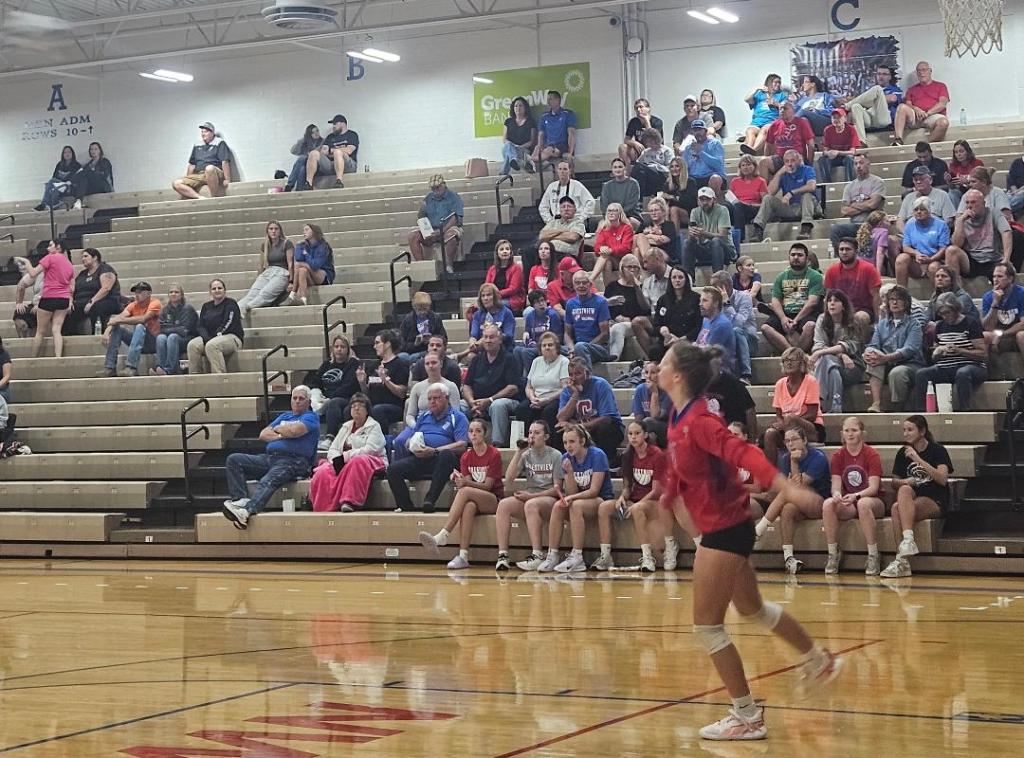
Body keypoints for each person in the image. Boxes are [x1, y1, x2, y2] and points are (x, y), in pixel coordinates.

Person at [656, 341, 841, 741]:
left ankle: (747, 716)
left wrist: (785, 489)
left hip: (724, 528)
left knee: (708, 627)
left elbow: (744, 452)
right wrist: (668, 496)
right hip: (725, 523)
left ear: (679, 375)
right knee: (752, 608)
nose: (658, 365)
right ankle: (818, 659)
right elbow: (679, 467)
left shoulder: (702, 420)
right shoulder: (677, 414)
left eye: (665, 361)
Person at [221, 386, 318, 529]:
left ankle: (247, 511)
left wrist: (278, 430)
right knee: (234, 460)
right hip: (270, 458)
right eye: (294, 398)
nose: (297, 401)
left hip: (295, 461)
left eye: (301, 399)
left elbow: (295, 431)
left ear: (308, 402)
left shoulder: (311, 416)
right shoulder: (285, 416)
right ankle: (240, 500)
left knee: (268, 479)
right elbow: (263, 434)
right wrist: (284, 433)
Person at [418, 418, 504, 569]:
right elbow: (468, 484)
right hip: (475, 498)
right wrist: (459, 480)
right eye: (471, 431)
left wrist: (465, 483)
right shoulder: (466, 457)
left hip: (493, 499)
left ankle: (443, 535)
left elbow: (488, 486)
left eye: (478, 431)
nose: (474, 434)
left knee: (464, 492)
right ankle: (463, 555)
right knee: (468, 507)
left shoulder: (494, 454)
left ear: (485, 433)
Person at [880, 416, 954, 578]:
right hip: (912, 497)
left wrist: (917, 459)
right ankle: (907, 543)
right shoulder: (902, 452)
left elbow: (942, 479)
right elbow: (894, 482)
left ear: (922, 431)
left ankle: (901, 560)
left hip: (935, 498)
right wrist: (905, 481)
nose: (905, 433)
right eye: (904, 430)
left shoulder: (937, 450)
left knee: (897, 509)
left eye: (910, 429)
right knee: (901, 496)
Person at [593, 420, 669, 572]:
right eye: (630, 434)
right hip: (635, 499)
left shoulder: (657, 455)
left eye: (637, 433)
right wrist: (622, 497)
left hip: (653, 501)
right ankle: (606, 555)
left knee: (638, 509)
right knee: (604, 507)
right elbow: (628, 486)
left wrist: (636, 504)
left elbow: (656, 491)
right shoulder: (627, 455)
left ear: (646, 435)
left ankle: (648, 557)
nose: (633, 437)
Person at [753, 425, 830, 574]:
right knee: (788, 509)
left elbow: (798, 487)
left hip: (820, 503)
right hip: (798, 503)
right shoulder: (785, 458)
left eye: (794, 439)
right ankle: (789, 558)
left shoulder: (818, 458)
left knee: (789, 492)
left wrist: (794, 463)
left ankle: (759, 529)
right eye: (787, 441)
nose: (790, 444)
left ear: (805, 440)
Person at [540, 423, 615, 573]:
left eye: (572, 442)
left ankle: (577, 556)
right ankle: (552, 554)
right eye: (565, 443)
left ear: (582, 441)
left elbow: (594, 491)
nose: (568, 446)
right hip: (580, 499)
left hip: (601, 499)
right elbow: (572, 490)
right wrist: (569, 473)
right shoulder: (566, 458)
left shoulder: (597, 455)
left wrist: (571, 497)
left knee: (575, 505)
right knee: (558, 506)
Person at [385, 383, 469, 513]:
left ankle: (429, 500)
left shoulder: (458, 417)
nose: (432, 402)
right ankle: (406, 506)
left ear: (446, 398)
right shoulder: (423, 417)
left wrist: (435, 450)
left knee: (446, 455)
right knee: (392, 469)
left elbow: (462, 445)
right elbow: (413, 437)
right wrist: (412, 445)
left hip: (443, 460)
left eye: (436, 398)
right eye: (429, 399)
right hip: (422, 457)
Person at [494, 420, 564, 571]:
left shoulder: (556, 455)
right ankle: (503, 555)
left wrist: (532, 497)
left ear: (546, 437)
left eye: (537, 433)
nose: (532, 436)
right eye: (530, 433)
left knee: (531, 504)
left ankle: (538, 555)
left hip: (549, 499)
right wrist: (519, 451)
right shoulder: (526, 455)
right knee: (504, 505)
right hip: (531, 497)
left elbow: (557, 489)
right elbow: (509, 478)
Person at [821, 416, 885, 574]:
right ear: (842, 433)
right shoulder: (837, 456)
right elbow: (835, 485)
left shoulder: (871, 454)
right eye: (847, 431)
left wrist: (856, 495)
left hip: (872, 501)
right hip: (850, 501)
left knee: (863, 504)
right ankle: (833, 552)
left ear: (862, 433)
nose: (850, 434)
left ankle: (873, 555)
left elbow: (874, 488)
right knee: (828, 504)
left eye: (854, 430)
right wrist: (836, 494)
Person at [309, 393, 387, 513]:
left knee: (358, 461)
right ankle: (321, 504)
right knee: (324, 470)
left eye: (360, 406)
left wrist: (346, 457)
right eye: (353, 406)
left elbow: (371, 449)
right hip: (345, 462)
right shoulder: (345, 426)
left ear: (367, 410)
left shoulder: (374, 426)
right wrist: (336, 459)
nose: (356, 408)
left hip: (373, 461)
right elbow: (333, 448)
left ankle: (350, 501)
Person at [913, 292, 986, 411]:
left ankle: (965, 410)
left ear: (956, 309)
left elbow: (983, 353)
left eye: (947, 312)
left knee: (963, 373)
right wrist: (937, 353)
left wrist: (960, 350)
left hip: (971, 365)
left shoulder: (970, 323)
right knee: (922, 374)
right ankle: (922, 411)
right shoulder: (940, 326)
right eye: (942, 314)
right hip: (946, 366)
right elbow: (934, 356)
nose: (945, 316)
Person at [864, 285, 923, 413]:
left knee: (897, 372)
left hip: (910, 364)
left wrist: (885, 358)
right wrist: (868, 354)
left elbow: (909, 349)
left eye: (899, 299)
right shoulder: (881, 324)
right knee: (872, 357)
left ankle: (898, 409)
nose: (895, 302)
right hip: (885, 362)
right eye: (891, 299)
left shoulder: (914, 324)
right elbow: (873, 345)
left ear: (906, 303)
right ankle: (876, 403)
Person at [763, 347, 826, 465]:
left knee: (790, 418)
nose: (789, 362)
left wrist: (789, 421)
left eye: (793, 360)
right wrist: (783, 422)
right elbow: (779, 414)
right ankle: (771, 477)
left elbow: (812, 415)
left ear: (802, 363)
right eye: (785, 360)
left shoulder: (811, 381)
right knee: (769, 433)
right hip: (787, 427)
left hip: (812, 427)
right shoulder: (780, 384)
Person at [462, 323, 520, 448]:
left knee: (497, 405)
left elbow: (513, 388)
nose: (488, 340)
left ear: (500, 340)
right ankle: (462, 443)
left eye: (492, 337)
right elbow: (466, 386)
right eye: (486, 337)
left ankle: (496, 445)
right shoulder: (477, 359)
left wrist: (490, 400)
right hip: (477, 402)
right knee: (459, 405)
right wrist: (472, 402)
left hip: (503, 401)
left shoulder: (509, 358)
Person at [761, 243, 825, 353]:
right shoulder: (781, 277)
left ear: (806, 258)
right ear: (789, 257)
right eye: (793, 254)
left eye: (800, 255)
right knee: (765, 328)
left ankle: (796, 356)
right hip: (786, 314)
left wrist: (796, 320)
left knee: (811, 326)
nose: (796, 257)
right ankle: (793, 354)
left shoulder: (815, 276)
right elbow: (776, 300)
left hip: (806, 314)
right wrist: (783, 319)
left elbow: (813, 302)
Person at [810, 290, 865, 414]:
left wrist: (821, 353)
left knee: (825, 360)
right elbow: (818, 344)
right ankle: (835, 405)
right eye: (829, 301)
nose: (832, 304)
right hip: (829, 366)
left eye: (836, 301)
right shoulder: (822, 319)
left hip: (852, 367)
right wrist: (841, 354)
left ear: (844, 305)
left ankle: (818, 401)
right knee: (832, 369)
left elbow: (850, 345)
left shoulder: (854, 322)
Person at [749, 150, 820, 244]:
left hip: (809, 207)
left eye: (793, 160)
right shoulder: (783, 174)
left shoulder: (807, 169)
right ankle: (758, 230)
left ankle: (806, 228)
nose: (790, 164)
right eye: (787, 161)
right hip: (792, 208)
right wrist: (778, 174)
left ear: (799, 160)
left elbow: (811, 186)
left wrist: (791, 193)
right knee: (767, 199)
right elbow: (768, 193)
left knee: (807, 195)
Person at [554, 357, 624, 453]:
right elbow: (561, 418)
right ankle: (567, 462)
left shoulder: (601, 385)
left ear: (587, 372)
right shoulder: (568, 390)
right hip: (582, 429)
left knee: (605, 428)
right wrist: (575, 395)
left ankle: (608, 461)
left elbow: (606, 418)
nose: (574, 378)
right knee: (559, 429)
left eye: (578, 374)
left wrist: (578, 427)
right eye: (571, 374)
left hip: (606, 428)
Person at [20, 240, 74, 359]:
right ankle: (58, 357)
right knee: (56, 330)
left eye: (50, 245)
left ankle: (33, 359)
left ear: (58, 247)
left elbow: (33, 273)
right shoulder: (70, 264)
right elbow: (71, 287)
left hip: (49, 297)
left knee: (40, 332)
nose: (48, 248)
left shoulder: (50, 257)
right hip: (63, 299)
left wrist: (27, 262)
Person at [945, 189, 1013, 281]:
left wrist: (1006, 259)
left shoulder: (993, 212)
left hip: (993, 259)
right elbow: (957, 244)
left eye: (973, 202)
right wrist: (960, 221)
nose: (969, 206)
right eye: (967, 203)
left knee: (1009, 272)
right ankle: (954, 291)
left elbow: (1006, 233)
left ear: (984, 203)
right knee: (951, 250)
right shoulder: (962, 219)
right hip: (972, 260)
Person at [827, 153, 886, 254]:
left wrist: (853, 205)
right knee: (835, 230)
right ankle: (841, 258)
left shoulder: (877, 182)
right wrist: (865, 204)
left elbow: (873, 204)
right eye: (855, 164)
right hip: (855, 225)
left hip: (872, 224)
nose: (858, 166)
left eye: (861, 163)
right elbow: (844, 210)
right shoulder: (849, 187)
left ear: (868, 164)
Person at [309, 335, 361, 446]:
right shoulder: (327, 364)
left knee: (334, 402)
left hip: (347, 398)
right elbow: (315, 381)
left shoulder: (353, 364)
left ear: (348, 350)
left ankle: (330, 437)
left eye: (342, 347)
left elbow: (348, 386)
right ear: (333, 349)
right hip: (325, 399)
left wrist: (329, 399)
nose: (339, 349)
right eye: (336, 346)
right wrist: (317, 395)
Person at [515, 331, 570, 432]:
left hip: (554, 399)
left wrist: (547, 399)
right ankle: (524, 442)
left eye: (550, 345)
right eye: (544, 345)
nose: (547, 348)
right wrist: (532, 398)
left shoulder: (564, 361)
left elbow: (565, 388)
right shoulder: (536, 361)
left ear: (557, 347)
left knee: (548, 411)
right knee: (521, 409)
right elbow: (529, 387)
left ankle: (547, 442)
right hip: (536, 398)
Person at [409, 175, 464, 274]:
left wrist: (441, 231)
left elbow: (455, 218)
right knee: (413, 236)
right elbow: (421, 217)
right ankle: (422, 266)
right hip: (431, 230)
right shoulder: (428, 198)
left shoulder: (454, 197)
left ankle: (449, 266)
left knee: (452, 235)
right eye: (433, 188)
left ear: (444, 185)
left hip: (448, 228)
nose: (435, 190)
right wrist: (426, 230)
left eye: (437, 187)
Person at [187, 278, 243, 374]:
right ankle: (195, 377)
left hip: (232, 337)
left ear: (224, 290)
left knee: (212, 345)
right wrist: (206, 337)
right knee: (192, 345)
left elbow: (228, 323)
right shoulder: (206, 306)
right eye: (214, 289)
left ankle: (219, 377)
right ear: (210, 292)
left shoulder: (231, 303)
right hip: (210, 337)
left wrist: (215, 336)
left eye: (219, 288)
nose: (217, 290)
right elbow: (200, 326)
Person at [710, 271, 757, 384]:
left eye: (714, 287)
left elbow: (738, 323)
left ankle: (746, 374)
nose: (712, 291)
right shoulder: (715, 302)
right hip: (729, 342)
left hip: (748, 341)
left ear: (725, 286)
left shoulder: (744, 297)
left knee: (736, 331)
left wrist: (727, 304)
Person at [238, 221, 295, 315]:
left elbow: (290, 263)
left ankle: (247, 308)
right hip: (268, 272)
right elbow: (261, 264)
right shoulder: (265, 245)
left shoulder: (286, 243)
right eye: (271, 229)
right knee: (252, 293)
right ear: (267, 231)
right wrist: (259, 277)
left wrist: (291, 281)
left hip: (282, 272)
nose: (273, 231)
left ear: (280, 231)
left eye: (276, 229)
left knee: (265, 293)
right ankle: (238, 308)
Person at [357, 329, 409, 430]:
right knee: (352, 408)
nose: (374, 346)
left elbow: (402, 393)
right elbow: (367, 394)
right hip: (374, 405)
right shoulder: (374, 365)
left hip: (393, 406)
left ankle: (382, 440)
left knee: (378, 410)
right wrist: (362, 382)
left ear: (388, 344)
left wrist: (386, 380)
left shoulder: (400, 365)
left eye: (377, 343)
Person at [825, 237, 882, 328]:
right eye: (841, 249)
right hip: (840, 309)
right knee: (821, 319)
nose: (844, 252)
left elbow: (876, 297)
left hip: (863, 310)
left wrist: (878, 321)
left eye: (848, 249)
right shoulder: (831, 271)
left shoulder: (869, 269)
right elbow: (828, 296)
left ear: (856, 251)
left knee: (859, 318)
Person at [894, 198, 952, 286]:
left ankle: (939, 295)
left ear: (929, 211)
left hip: (934, 259)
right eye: (916, 210)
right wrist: (916, 253)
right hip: (917, 261)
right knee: (901, 259)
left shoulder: (941, 225)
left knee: (933, 267)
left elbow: (943, 249)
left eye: (922, 209)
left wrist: (931, 259)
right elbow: (906, 247)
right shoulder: (910, 224)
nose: (918, 212)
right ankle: (901, 293)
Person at [603, 252, 649, 361]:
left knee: (618, 328)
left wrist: (637, 288)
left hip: (634, 324)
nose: (632, 270)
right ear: (622, 268)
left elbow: (645, 309)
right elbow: (605, 308)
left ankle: (613, 359)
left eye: (635, 267)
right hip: (614, 321)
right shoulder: (612, 286)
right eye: (629, 267)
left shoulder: (643, 287)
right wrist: (613, 318)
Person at [892, 61, 950, 145]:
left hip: (933, 116)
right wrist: (916, 109)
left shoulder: (941, 86)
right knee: (901, 107)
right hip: (916, 117)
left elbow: (942, 103)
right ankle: (898, 139)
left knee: (944, 122)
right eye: (918, 71)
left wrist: (928, 113)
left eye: (924, 70)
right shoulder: (911, 89)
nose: (921, 73)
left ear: (930, 71)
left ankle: (925, 146)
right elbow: (908, 104)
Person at [65, 248, 120, 336]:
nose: (83, 259)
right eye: (82, 257)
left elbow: (106, 288)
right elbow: (72, 289)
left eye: (86, 256)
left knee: (96, 307)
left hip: (106, 300)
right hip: (83, 301)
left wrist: (92, 301)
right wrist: (70, 301)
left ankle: (97, 335)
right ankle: (72, 336)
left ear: (95, 257)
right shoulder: (83, 273)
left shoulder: (105, 269)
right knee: (66, 308)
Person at [650, 267, 702, 360]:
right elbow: (656, 325)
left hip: (687, 339)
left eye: (680, 277)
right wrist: (663, 330)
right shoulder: (663, 300)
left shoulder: (696, 299)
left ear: (686, 279)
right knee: (655, 350)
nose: (677, 280)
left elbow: (699, 325)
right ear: (670, 280)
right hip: (668, 339)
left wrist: (681, 340)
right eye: (674, 277)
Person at [404, 352, 461, 436]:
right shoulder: (417, 387)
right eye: (427, 363)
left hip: (441, 425)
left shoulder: (451, 386)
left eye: (434, 362)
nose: (430, 366)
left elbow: (456, 414)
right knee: (400, 441)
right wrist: (416, 427)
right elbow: (410, 415)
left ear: (441, 364)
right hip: (419, 426)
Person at [172, 122, 231, 200]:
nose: (203, 134)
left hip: (215, 173)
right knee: (176, 183)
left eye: (206, 132)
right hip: (199, 174)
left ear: (212, 133)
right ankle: (199, 197)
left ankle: (213, 198)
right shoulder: (197, 144)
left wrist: (227, 179)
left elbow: (225, 162)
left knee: (209, 168)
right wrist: (189, 179)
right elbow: (192, 165)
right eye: (202, 132)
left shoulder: (220, 142)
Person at [682, 187, 734, 275]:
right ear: (697, 201)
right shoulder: (694, 212)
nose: (704, 202)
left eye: (708, 199)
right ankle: (689, 279)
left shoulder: (722, 210)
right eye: (701, 199)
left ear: (714, 200)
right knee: (687, 242)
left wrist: (703, 233)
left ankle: (718, 278)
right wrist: (692, 235)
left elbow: (723, 236)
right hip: (705, 248)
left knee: (716, 241)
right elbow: (693, 237)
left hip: (725, 250)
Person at [844, 64, 903, 141]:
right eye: (879, 74)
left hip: (883, 120)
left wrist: (868, 100)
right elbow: (863, 101)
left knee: (877, 89)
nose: (881, 76)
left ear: (890, 77)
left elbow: (892, 99)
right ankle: (862, 142)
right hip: (870, 119)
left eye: (884, 74)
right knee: (855, 106)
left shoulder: (895, 89)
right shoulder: (870, 91)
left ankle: (845, 107)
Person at [565, 271, 613, 365]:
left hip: (599, 347)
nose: (581, 285)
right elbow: (567, 333)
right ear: (573, 285)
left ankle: (586, 378)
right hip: (577, 346)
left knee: (580, 347)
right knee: (553, 348)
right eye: (578, 283)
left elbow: (604, 334)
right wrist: (572, 348)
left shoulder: (601, 302)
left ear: (590, 284)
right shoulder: (570, 304)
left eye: (584, 282)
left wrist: (582, 347)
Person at [759, 102, 815, 182]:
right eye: (780, 108)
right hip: (780, 158)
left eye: (785, 108)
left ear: (793, 110)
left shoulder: (802, 122)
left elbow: (811, 145)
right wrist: (767, 157)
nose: (782, 110)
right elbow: (768, 145)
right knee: (763, 162)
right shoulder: (775, 125)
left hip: (797, 157)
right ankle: (764, 191)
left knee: (796, 161)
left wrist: (809, 164)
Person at [981, 262, 1024, 362]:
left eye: (1000, 276)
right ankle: (982, 373)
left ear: (1010, 278)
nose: (995, 280)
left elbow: (1023, 324)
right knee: (984, 335)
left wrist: (1002, 334)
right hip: (998, 337)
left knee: (1022, 335)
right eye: (994, 276)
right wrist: (995, 303)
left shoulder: (1021, 293)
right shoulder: (988, 297)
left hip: (1014, 334)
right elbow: (988, 327)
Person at [152, 283, 197, 376]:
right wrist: (176, 328)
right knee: (161, 338)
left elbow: (184, 330)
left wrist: (169, 327)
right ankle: (160, 367)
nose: (173, 294)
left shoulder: (187, 308)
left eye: (176, 292)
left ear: (181, 295)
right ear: (168, 295)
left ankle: (169, 370)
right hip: (171, 338)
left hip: (188, 339)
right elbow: (161, 328)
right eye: (171, 292)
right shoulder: (165, 309)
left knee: (172, 337)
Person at [302, 114, 358, 189]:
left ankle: (339, 181)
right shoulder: (330, 137)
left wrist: (332, 151)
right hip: (332, 165)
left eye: (335, 124)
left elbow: (349, 150)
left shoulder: (352, 135)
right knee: (313, 153)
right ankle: (308, 183)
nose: (333, 126)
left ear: (342, 124)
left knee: (337, 153)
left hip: (348, 165)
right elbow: (324, 151)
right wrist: (331, 152)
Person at [515, 291, 565, 375]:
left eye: (542, 300)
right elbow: (528, 333)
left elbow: (558, 337)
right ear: (532, 305)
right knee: (517, 350)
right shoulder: (530, 316)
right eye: (537, 302)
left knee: (526, 352)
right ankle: (518, 379)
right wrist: (526, 333)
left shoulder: (553, 315)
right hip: (534, 345)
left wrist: (540, 345)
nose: (541, 304)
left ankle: (532, 377)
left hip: (549, 345)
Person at [285, 223, 334, 307]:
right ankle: (303, 299)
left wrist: (306, 255)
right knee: (302, 270)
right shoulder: (303, 245)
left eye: (307, 229)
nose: (304, 232)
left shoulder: (323, 246)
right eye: (303, 230)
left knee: (298, 265)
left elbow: (315, 265)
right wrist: (299, 246)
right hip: (309, 275)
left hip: (323, 276)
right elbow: (299, 257)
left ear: (314, 232)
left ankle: (293, 292)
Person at [741, 73, 788, 156]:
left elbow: (787, 109)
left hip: (771, 121)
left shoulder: (781, 95)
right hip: (757, 121)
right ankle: (748, 149)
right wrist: (756, 88)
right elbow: (747, 99)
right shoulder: (760, 94)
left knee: (765, 130)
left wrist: (776, 104)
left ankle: (752, 150)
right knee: (750, 131)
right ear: (769, 83)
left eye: (779, 83)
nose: (778, 84)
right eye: (775, 82)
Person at [696, 286, 737, 375]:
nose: (700, 304)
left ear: (715, 303)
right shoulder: (706, 320)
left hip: (721, 371)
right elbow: (698, 343)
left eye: (705, 301)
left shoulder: (722, 324)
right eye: (700, 300)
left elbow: (708, 353)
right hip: (705, 367)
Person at [591, 203, 635, 283]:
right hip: (609, 258)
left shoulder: (626, 228)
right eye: (609, 211)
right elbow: (596, 247)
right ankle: (608, 290)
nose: (611, 213)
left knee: (605, 256)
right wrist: (601, 248)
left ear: (620, 213)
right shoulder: (604, 229)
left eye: (615, 210)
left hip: (623, 260)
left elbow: (626, 247)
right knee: (606, 261)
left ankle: (590, 279)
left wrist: (610, 250)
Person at [727, 155, 769, 240]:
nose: (746, 167)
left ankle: (739, 238)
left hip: (753, 208)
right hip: (737, 209)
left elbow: (765, 203)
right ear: (740, 168)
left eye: (749, 164)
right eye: (743, 165)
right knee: (733, 206)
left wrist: (748, 205)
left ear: (754, 166)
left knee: (738, 206)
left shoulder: (761, 181)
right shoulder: (735, 181)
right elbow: (730, 198)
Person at [681, 120, 727, 196]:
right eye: (695, 130)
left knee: (715, 178)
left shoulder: (715, 144)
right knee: (687, 181)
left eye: (700, 130)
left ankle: (713, 205)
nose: (698, 133)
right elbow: (685, 167)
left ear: (705, 131)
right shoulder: (688, 148)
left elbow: (718, 165)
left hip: (711, 176)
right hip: (695, 178)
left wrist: (700, 152)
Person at [467, 282, 516, 353]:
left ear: (495, 297)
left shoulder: (506, 313)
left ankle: (460, 355)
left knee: (487, 339)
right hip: (482, 350)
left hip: (503, 350)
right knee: (471, 356)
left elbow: (508, 335)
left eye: (488, 295)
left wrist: (489, 338)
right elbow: (473, 335)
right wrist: (472, 341)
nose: (485, 298)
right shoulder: (478, 314)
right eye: (483, 296)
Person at [398, 292, 446, 363]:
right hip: (411, 351)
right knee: (401, 356)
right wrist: (415, 344)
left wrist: (431, 340)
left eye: (425, 309)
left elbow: (443, 338)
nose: (422, 312)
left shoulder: (436, 318)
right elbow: (401, 345)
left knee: (413, 358)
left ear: (429, 307)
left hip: (429, 350)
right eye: (419, 310)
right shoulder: (407, 320)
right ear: (414, 307)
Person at [633, 360, 672, 445]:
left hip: (667, 430)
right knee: (647, 434)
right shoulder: (640, 389)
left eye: (653, 372)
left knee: (648, 422)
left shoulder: (669, 390)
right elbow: (638, 419)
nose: (649, 376)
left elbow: (656, 416)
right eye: (646, 372)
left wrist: (654, 393)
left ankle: (629, 452)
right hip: (647, 430)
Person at [538, 197, 587, 265]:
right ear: (560, 210)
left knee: (547, 255)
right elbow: (542, 236)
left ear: (575, 210)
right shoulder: (553, 222)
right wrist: (561, 230)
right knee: (528, 252)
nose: (566, 209)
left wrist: (550, 237)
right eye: (563, 207)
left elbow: (572, 237)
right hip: (549, 252)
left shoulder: (578, 223)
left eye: (569, 206)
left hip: (566, 254)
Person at [533, 90, 577, 167]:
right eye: (547, 99)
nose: (548, 102)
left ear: (558, 100)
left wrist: (570, 153)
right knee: (538, 147)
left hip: (562, 146)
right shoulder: (544, 116)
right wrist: (539, 147)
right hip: (548, 146)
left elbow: (571, 133)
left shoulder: (568, 114)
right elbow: (541, 136)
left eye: (550, 99)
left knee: (549, 149)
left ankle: (531, 161)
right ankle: (533, 161)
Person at [634, 197, 679, 267]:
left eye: (656, 210)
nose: (653, 213)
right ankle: (645, 266)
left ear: (663, 212)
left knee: (644, 241)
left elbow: (662, 240)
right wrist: (655, 237)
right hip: (649, 250)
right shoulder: (645, 224)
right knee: (637, 250)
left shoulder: (669, 225)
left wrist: (649, 236)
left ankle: (647, 261)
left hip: (664, 253)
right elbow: (635, 239)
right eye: (651, 211)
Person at [485, 238, 525, 314]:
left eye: (507, 249)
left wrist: (496, 294)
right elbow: (487, 287)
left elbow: (514, 289)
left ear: (511, 252)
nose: (505, 251)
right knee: (478, 310)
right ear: (497, 253)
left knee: (496, 306)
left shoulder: (516, 268)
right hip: (494, 299)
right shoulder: (492, 269)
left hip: (512, 300)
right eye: (501, 249)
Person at [631, 127, 674, 198]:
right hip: (648, 177)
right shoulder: (646, 152)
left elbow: (670, 169)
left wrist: (655, 167)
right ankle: (640, 198)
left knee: (640, 167)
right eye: (648, 142)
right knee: (639, 170)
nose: (650, 143)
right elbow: (638, 165)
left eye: (652, 141)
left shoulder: (666, 151)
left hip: (661, 176)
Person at [34, 145, 80, 211]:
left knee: (52, 183)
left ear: (72, 154)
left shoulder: (77, 165)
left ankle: (43, 205)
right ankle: (52, 205)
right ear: (62, 154)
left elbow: (75, 180)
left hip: (69, 187)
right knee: (51, 185)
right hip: (59, 187)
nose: (67, 154)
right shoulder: (60, 164)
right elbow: (54, 177)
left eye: (69, 152)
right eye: (65, 152)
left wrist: (59, 183)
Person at [619, 98, 664, 165]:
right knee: (622, 147)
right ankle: (627, 172)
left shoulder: (657, 121)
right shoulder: (633, 122)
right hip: (640, 150)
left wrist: (646, 121)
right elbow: (626, 139)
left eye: (641, 107)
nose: (638, 110)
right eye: (636, 108)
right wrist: (634, 143)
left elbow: (654, 140)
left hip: (654, 149)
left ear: (648, 108)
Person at [601, 158, 643, 229]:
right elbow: (604, 205)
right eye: (615, 167)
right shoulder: (607, 186)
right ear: (612, 170)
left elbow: (632, 205)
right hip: (611, 218)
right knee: (600, 227)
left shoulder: (633, 183)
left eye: (620, 167)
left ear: (625, 168)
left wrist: (619, 216)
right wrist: (612, 216)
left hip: (630, 216)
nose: (617, 169)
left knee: (627, 224)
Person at [69, 142, 114, 209]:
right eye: (91, 149)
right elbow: (78, 175)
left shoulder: (105, 161)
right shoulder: (88, 164)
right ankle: (78, 200)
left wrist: (91, 172)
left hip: (103, 186)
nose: (93, 151)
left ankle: (68, 183)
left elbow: (104, 176)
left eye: (95, 149)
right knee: (83, 179)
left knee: (86, 172)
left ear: (99, 151)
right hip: (93, 188)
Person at [501, 96, 537, 175]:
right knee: (508, 147)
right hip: (509, 148)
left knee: (508, 156)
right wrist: (513, 147)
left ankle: (503, 174)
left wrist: (518, 147)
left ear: (525, 108)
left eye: (520, 105)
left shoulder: (530, 121)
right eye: (516, 106)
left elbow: (532, 141)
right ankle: (515, 159)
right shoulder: (508, 121)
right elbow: (504, 139)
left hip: (523, 150)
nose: (518, 108)